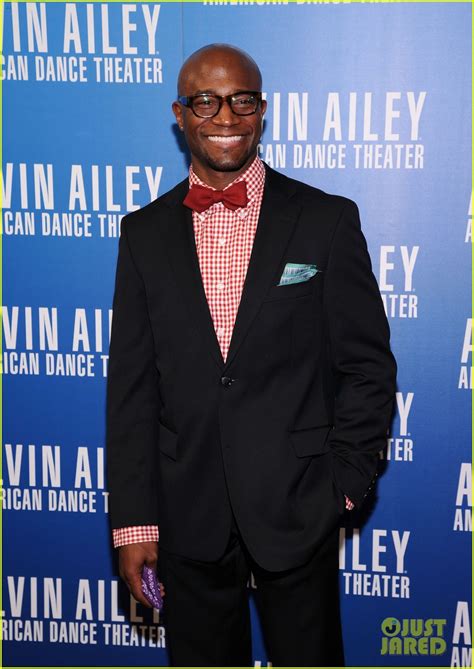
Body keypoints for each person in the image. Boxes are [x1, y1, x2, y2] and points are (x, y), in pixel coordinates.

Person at [106, 43, 397, 667]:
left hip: (299, 508)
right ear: (180, 114)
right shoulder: (144, 234)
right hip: (189, 517)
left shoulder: (325, 220)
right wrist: (134, 525)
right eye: (206, 102)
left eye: (241, 100)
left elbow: (367, 369)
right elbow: (132, 393)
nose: (225, 117)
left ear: (261, 110)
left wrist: (343, 486)